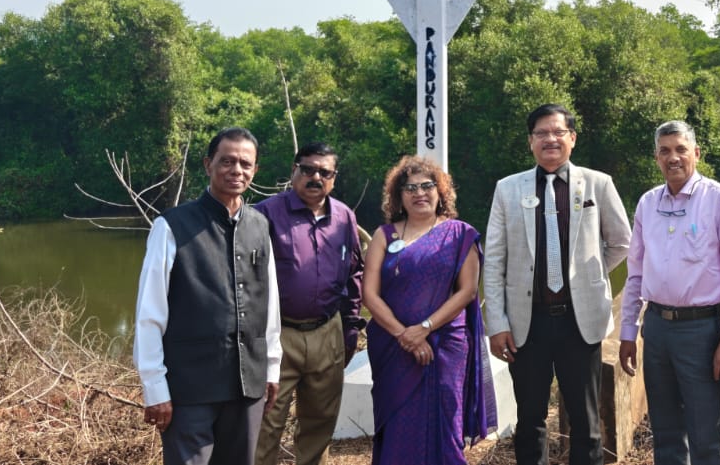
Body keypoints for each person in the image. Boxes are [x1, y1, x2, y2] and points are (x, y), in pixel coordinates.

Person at [482, 104, 632, 465]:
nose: (550, 139)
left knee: (586, 421)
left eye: (558, 132)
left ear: (572, 138)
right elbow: (494, 261)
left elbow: (622, 242)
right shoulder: (507, 189)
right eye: (541, 133)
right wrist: (497, 323)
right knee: (530, 419)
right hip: (526, 322)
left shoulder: (598, 183)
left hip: (579, 322)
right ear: (531, 141)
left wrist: (587, 277)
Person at [135, 127, 281, 465]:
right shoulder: (171, 226)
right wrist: (154, 387)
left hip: (247, 383)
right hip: (190, 387)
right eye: (227, 161)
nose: (236, 170)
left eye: (245, 164)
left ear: (255, 170)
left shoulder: (260, 226)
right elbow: (149, 313)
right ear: (208, 165)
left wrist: (271, 367)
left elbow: (269, 304)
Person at [617, 120, 720, 465]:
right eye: (665, 151)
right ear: (656, 157)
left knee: (706, 431)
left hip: (702, 329)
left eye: (680, 149)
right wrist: (628, 330)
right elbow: (635, 271)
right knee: (664, 433)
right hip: (658, 328)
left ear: (696, 152)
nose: (673, 158)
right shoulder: (648, 203)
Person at [362, 155, 496, 463]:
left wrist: (424, 328)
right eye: (410, 188)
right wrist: (403, 335)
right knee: (397, 423)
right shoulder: (384, 236)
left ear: (441, 192)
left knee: (445, 421)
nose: (419, 193)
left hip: (446, 345)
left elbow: (467, 291)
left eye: (427, 186)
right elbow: (370, 294)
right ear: (398, 195)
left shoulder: (460, 234)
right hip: (393, 348)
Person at [253, 142, 366, 465]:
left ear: (334, 177)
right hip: (278, 334)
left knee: (320, 422)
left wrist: (350, 328)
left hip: (327, 331)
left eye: (324, 172)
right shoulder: (264, 214)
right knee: (266, 422)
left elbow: (354, 273)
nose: (315, 177)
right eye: (308, 169)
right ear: (294, 171)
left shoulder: (344, 217)